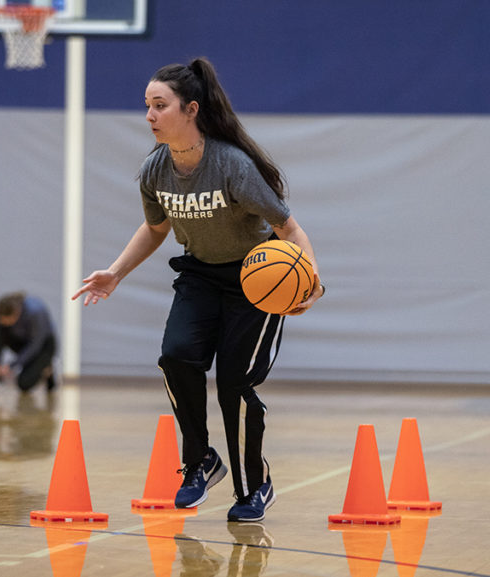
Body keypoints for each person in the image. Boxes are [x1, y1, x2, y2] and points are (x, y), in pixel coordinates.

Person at [72, 58, 323, 523]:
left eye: (159, 105)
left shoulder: (232, 165)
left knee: (234, 382)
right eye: (146, 105)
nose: (149, 115)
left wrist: (309, 280)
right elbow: (155, 228)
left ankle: (254, 487)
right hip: (201, 275)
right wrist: (116, 272)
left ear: (191, 110)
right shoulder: (154, 171)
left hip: (255, 278)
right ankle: (201, 460)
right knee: (176, 356)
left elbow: (287, 227)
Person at [0, 292, 58, 394]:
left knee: (24, 384)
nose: (6, 324)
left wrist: (13, 365)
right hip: (23, 341)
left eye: (8, 321)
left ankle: (48, 368)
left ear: (16, 313)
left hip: (44, 345)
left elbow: (35, 344)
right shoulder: (2, 316)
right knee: (0, 330)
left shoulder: (35, 311)